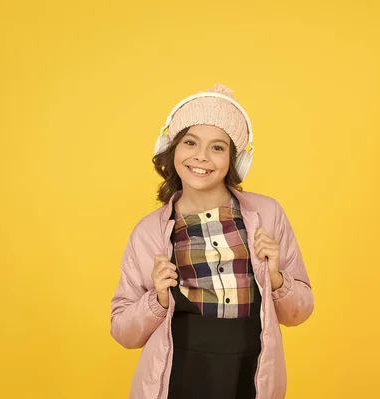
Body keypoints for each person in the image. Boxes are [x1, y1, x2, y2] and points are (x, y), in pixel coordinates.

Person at [110, 83, 314, 399]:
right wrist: (158, 299)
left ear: (235, 159)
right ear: (171, 148)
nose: (201, 157)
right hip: (180, 377)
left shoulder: (268, 214)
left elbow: (298, 313)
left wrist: (275, 278)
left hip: (249, 378)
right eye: (190, 142)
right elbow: (123, 331)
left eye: (217, 147)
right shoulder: (148, 232)